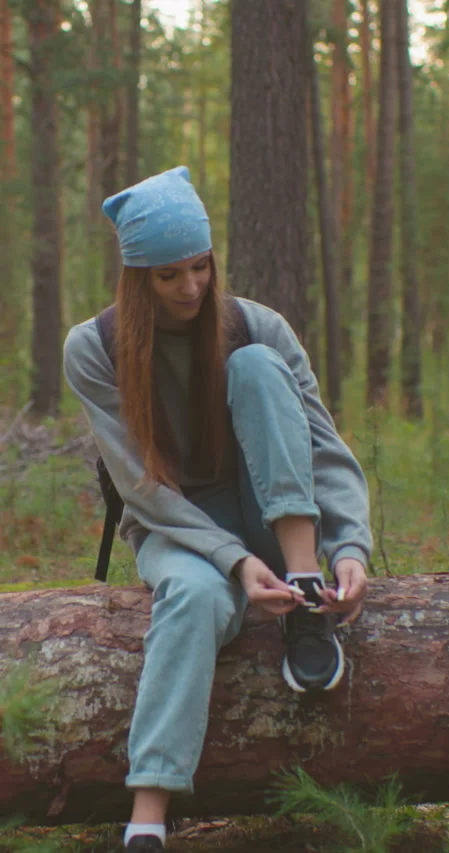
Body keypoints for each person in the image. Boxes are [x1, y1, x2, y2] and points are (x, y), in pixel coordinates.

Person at [63, 166, 372, 853]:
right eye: (169, 275)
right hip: (174, 525)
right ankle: (148, 811)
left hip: (271, 514)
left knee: (260, 366)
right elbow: (142, 488)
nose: (191, 286)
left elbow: (323, 448)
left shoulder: (255, 324)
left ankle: (304, 593)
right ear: (138, 278)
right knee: (193, 596)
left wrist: (348, 546)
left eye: (200, 266)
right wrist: (232, 561)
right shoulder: (94, 349)